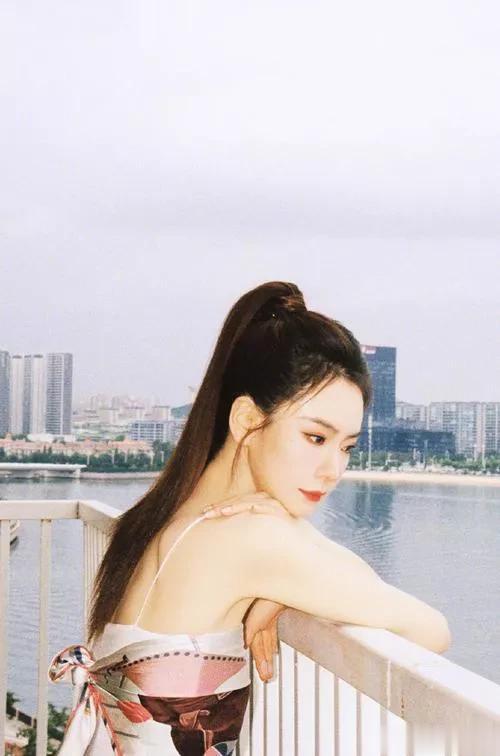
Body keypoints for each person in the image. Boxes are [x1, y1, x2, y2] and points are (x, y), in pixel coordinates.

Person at [48, 280, 451, 755]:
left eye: (347, 447)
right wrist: (290, 548)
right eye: (315, 438)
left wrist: (281, 586)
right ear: (245, 420)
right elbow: (432, 631)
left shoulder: (169, 515)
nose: (333, 469)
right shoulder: (250, 536)